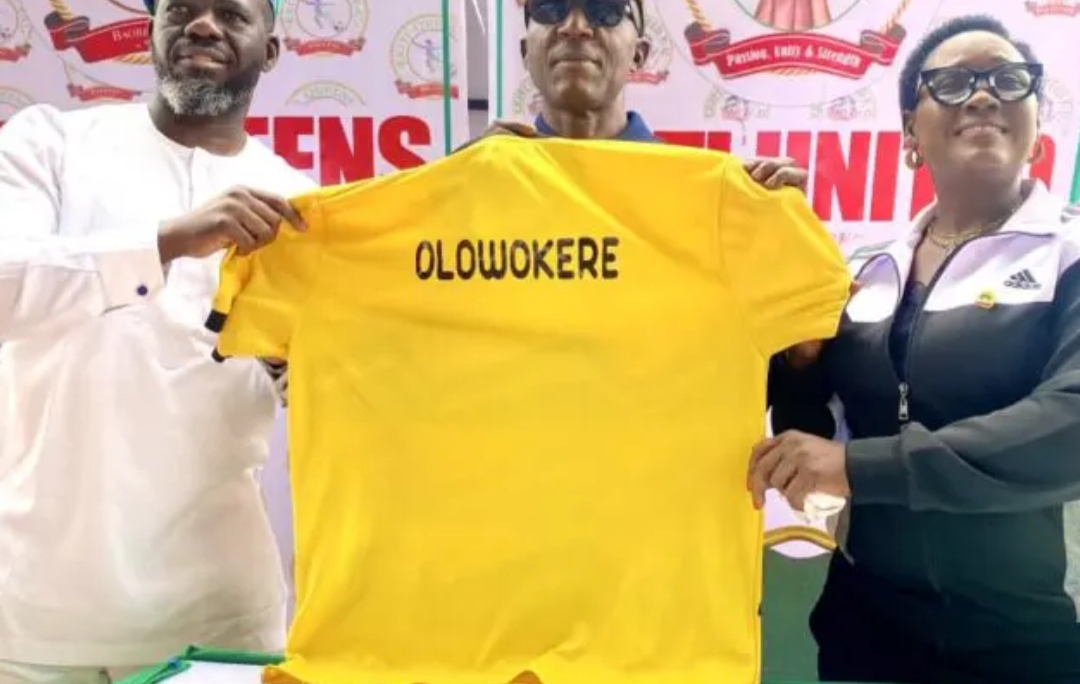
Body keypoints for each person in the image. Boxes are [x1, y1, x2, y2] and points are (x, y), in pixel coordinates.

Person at [749, 14, 1080, 684]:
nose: (982, 95)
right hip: (863, 634)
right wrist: (801, 361)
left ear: (1037, 121)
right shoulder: (864, 274)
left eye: (1008, 80)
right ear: (910, 132)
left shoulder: (1068, 255)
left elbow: (1068, 424)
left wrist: (861, 468)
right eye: (953, 83)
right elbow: (815, 436)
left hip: (1019, 642)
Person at [0, 0, 315, 680]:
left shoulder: (301, 205)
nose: (202, 25)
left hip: (222, 615)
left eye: (232, 14)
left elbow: (330, 396)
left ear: (271, 51)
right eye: (182, 9)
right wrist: (165, 243)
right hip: (40, 618)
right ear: (151, 33)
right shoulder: (50, 143)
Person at [479, 0, 807, 190]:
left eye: (604, 9)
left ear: (639, 55)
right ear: (525, 52)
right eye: (549, 7)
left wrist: (777, 227)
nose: (575, 27)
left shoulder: (695, 190)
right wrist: (464, 179)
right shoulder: (485, 181)